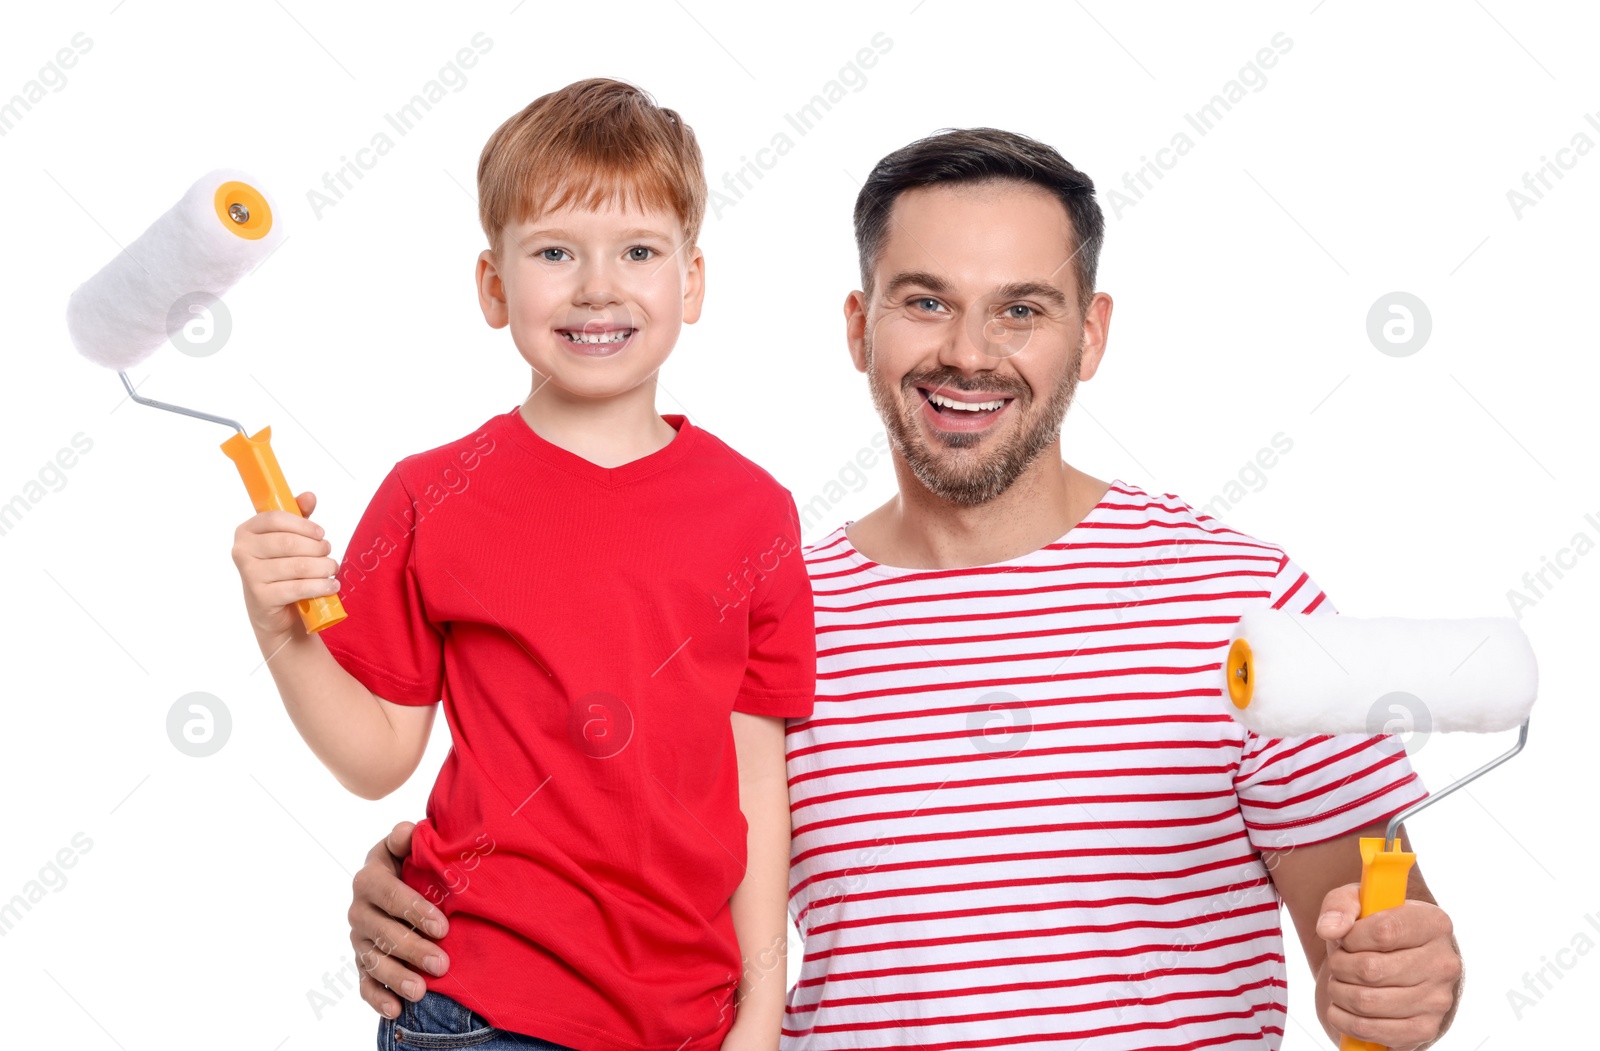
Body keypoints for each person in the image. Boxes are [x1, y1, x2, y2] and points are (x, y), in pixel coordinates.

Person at [343, 127, 1465, 1050]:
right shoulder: (756, 601)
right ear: (858, 326)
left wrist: (1408, 981)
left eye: (1022, 309)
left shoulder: (1245, 602)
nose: (969, 352)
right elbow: (596, 825)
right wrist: (429, 895)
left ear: (1092, 333)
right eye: (924, 302)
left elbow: (1375, 931)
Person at [232, 78, 815, 1051]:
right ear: (495, 286)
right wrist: (281, 631)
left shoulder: (754, 511)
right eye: (555, 252)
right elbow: (377, 757)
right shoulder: (429, 494)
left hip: (691, 1018)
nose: (598, 285)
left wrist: (761, 1010)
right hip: (478, 1007)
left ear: (692, 280)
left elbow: (757, 782)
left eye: (638, 251)